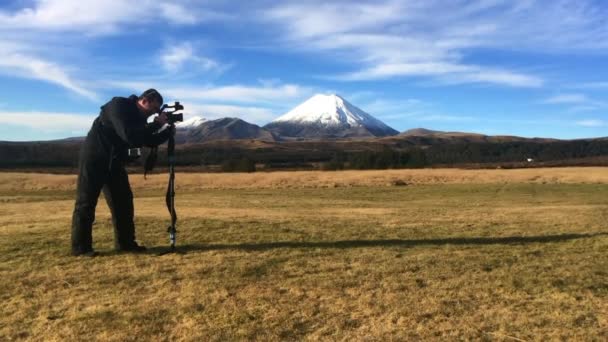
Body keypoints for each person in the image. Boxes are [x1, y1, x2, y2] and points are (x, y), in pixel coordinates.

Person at [71, 89, 173, 256]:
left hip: (115, 163)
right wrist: (156, 124)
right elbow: (130, 136)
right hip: (94, 159)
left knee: (123, 204)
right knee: (86, 203)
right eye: (153, 109)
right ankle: (80, 248)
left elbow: (146, 140)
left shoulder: (140, 119)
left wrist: (167, 132)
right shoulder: (118, 105)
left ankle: (125, 244)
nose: (153, 113)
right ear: (145, 100)